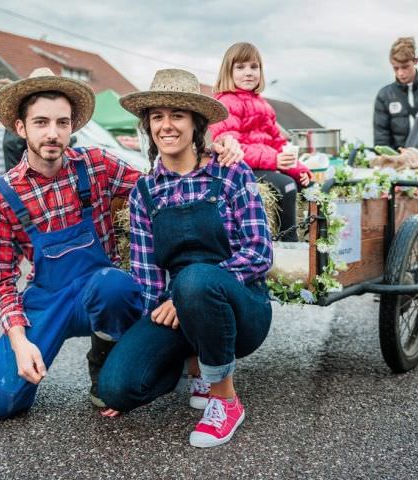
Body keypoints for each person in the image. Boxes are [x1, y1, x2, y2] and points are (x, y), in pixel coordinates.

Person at [0, 68, 244, 420]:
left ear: (72, 127)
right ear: (21, 128)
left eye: (62, 123)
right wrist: (20, 343)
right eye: (41, 123)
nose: (53, 133)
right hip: (47, 298)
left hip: (100, 292)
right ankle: (24, 365)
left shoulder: (95, 165)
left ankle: (109, 360)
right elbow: (0, 281)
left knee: (114, 285)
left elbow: (161, 187)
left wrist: (211, 150)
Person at [97, 69, 273, 448]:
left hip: (242, 307)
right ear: (148, 126)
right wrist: (141, 348)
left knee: (195, 280)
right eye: (157, 117)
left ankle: (225, 401)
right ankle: (191, 363)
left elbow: (259, 253)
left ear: (196, 124)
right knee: (116, 388)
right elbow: (148, 279)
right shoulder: (145, 192)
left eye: (177, 115)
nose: (167, 125)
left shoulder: (230, 172)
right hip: (179, 308)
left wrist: (188, 293)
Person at [210, 42, 312, 242]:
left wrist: (298, 167)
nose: (248, 73)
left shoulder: (263, 105)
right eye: (240, 67)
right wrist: (274, 160)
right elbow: (234, 148)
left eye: (254, 67)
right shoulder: (225, 103)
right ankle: (287, 243)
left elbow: (278, 141)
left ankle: (312, 241)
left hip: (265, 165)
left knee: (306, 185)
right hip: (241, 168)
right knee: (286, 186)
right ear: (228, 72)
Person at [374, 37, 418, 150]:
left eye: (405, 67)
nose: (400, 73)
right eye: (396, 68)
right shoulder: (384, 96)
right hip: (400, 162)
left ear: (415, 61)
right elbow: (381, 139)